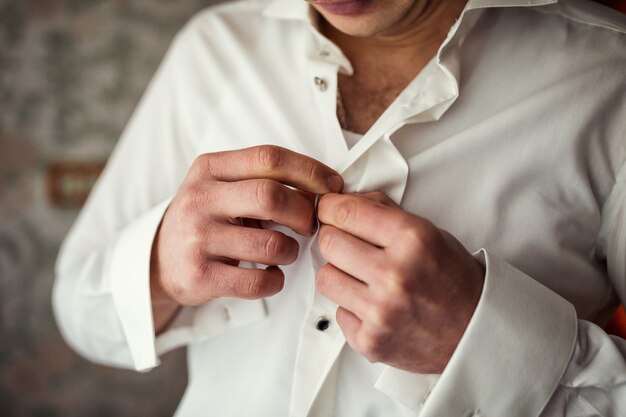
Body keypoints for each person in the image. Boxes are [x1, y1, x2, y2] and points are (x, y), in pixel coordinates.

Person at [53, 0, 626, 415]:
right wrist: (159, 269)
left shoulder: (608, 79)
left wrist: (484, 343)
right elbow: (81, 310)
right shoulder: (214, 47)